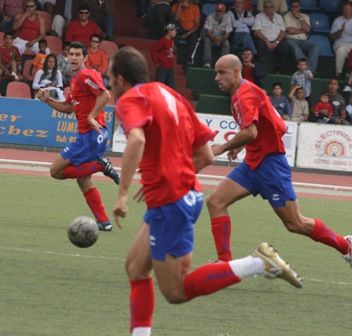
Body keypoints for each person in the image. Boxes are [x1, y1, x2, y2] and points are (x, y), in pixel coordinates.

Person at [109, 46, 302, 336]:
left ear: (120, 79)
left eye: (109, 77)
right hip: (184, 194)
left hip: (170, 203)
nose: (108, 82)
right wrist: (167, 178)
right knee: (135, 267)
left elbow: (136, 140)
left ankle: (256, 263)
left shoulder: (130, 100)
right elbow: (205, 156)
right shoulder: (168, 93)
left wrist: (123, 193)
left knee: (176, 290)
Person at [209, 54, 352, 274]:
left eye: (221, 72)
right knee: (215, 202)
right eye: (216, 72)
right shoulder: (244, 92)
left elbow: (251, 131)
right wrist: (243, 145)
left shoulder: (244, 95)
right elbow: (277, 125)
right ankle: (225, 262)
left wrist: (222, 148)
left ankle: (345, 245)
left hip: (271, 166)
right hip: (253, 163)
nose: (216, 77)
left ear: (236, 72)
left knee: (296, 224)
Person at [35, 41, 120, 231]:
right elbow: (67, 108)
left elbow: (105, 95)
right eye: (71, 54)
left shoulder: (84, 75)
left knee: (55, 171)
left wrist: (91, 116)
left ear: (85, 58)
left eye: (77, 55)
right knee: (84, 180)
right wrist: (46, 99)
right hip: (90, 136)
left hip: (91, 135)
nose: (73, 58)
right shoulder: (75, 81)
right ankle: (104, 222)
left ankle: (100, 164)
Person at [253, 0, 290, 74]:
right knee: (260, 46)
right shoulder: (259, 16)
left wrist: (276, 42)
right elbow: (256, 31)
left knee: (285, 48)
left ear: (273, 8)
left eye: (270, 7)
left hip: (277, 40)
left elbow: (283, 31)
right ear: (263, 8)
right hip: (263, 40)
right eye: (266, 7)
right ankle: (260, 70)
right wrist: (267, 42)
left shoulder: (279, 17)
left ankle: (279, 71)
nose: (268, 9)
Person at [330, 2, 352, 78]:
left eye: (348, 9)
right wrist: (340, 31)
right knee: (341, 50)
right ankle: (339, 73)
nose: (346, 11)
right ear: (342, 10)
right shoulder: (338, 20)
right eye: (345, 9)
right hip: (341, 43)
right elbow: (333, 37)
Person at [284, 0, 319, 73]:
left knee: (315, 46)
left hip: (303, 41)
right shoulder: (286, 16)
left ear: (299, 7)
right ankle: (308, 69)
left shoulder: (305, 16)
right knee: (296, 48)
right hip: (291, 39)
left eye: (296, 7)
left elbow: (308, 30)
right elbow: (290, 31)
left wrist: (300, 18)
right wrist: (303, 30)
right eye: (292, 7)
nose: (294, 9)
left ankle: (309, 70)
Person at [202, 2, 232, 69]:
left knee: (226, 43)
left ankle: (224, 64)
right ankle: (207, 62)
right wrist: (214, 39)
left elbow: (227, 34)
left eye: (220, 11)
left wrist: (221, 39)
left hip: (220, 37)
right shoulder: (210, 17)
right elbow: (208, 32)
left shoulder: (227, 18)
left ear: (224, 11)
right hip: (210, 36)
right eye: (217, 11)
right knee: (207, 40)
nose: (218, 13)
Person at [171, 0, 200, 65]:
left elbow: (197, 25)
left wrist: (188, 33)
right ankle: (174, 49)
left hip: (190, 30)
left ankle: (187, 60)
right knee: (173, 27)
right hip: (179, 28)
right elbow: (176, 19)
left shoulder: (195, 7)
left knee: (194, 37)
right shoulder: (175, 6)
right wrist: (180, 6)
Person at [150, 22, 176, 89]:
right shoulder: (163, 41)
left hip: (170, 67)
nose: (175, 32)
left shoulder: (172, 41)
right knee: (159, 86)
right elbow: (153, 50)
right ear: (169, 31)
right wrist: (156, 63)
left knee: (171, 87)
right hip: (162, 67)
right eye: (174, 30)